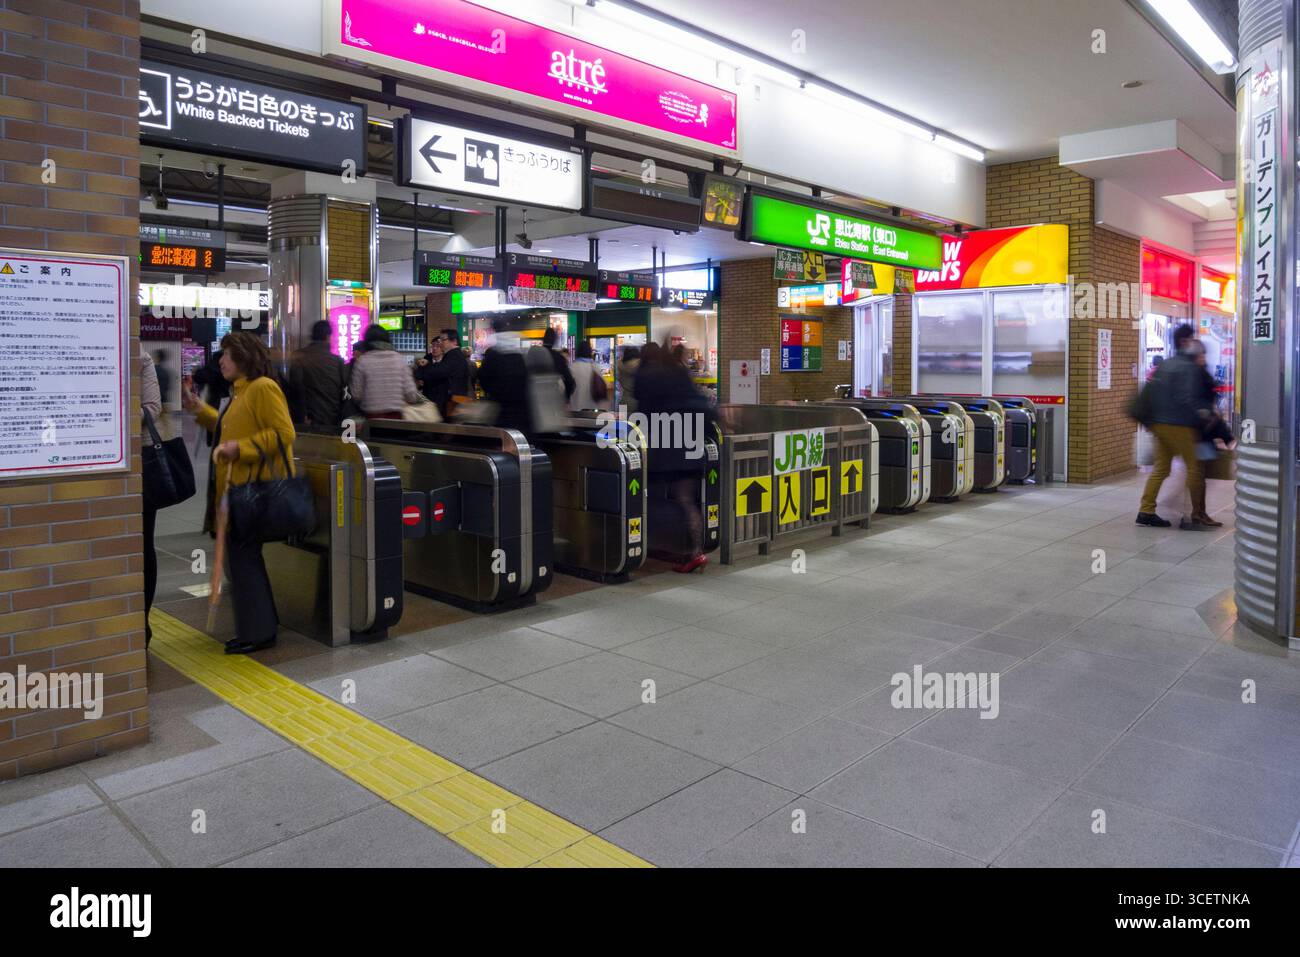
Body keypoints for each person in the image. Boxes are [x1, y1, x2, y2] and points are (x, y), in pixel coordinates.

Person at [180, 331, 296, 654]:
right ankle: (259, 626)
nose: (221, 361)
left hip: (250, 493)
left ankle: (259, 632)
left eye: (227, 355)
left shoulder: (263, 388)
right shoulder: (240, 392)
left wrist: (240, 449)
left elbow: (285, 433)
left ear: (243, 356)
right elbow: (228, 427)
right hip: (235, 493)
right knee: (242, 562)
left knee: (243, 562)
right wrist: (199, 410)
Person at [636, 340, 715, 573]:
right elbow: (702, 408)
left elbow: (644, 415)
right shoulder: (681, 378)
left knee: (647, 495)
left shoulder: (651, 378)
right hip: (691, 448)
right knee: (686, 500)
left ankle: (659, 544)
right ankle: (694, 551)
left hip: (666, 452)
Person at [1136, 324, 1215, 529]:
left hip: (1159, 424)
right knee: (1195, 468)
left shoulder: (1166, 363)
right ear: (1184, 342)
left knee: (1161, 468)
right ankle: (1193, 515)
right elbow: (1187, 397)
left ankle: (1146, 511)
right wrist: (1205, 413)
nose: (1194, 342)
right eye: (1192, 338)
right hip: (1179, 424)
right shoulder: (1187, 367)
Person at [140, 349, 163, 648]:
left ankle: (141, 622)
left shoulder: (140, 358)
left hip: (140, 464)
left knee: (144, 544)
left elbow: (152, 409)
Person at [349, 324, 421, 419]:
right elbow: (411, 395)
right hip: (396, 419)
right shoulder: (399, 360)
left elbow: (356, 395)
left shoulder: (362, 361)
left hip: (371, 419)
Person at [476, 316, 532, 434]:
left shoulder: (493, 353)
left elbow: (482, 377)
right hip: (522, 408)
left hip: (499, 408)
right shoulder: (522, 352)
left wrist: (492, 392)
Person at [287, 320, 346, 432]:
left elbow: (296, 388)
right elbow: (344, 390)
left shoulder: (298, 357)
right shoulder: (338, 361)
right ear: (328, 336)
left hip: (307, 421)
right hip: (333, 419)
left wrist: (302, 415)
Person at [416, 328, 473, 418]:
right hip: (451, 401)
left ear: (454, 341)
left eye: (443, 340)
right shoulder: (453, 355)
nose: (440, 343)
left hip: (453, 402)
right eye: (439, 340)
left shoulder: (454, 356)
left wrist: (426, 366)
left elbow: (440, 372)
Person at [569, 340, 608, 411]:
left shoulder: (572, 367)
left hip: (576, 408)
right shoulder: (595, 366)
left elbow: (564, 387)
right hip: (592, 408)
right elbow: (603, 384)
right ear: (590, 351)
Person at [540, 327, 575, 403]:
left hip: (534, 402)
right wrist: (566, 399)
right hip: (553, 400)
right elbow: (570, 381)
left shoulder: (533, 355)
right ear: (554, 341)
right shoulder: (557, 357)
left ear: (543, 339)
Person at [618, 345, 641, 413]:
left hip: (623, 400)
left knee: (623, 423)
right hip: (636, 402)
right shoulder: (640, 367)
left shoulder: (621, 366)